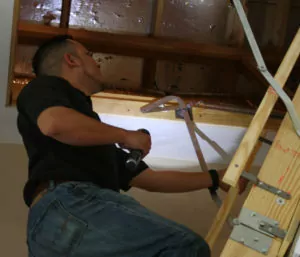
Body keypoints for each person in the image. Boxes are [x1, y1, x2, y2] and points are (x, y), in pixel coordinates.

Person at [16, 35, 247, 257]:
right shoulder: (45, 87)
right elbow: (55, 123)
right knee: (183, 248)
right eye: (88, 54)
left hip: (52, 231)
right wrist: (126, 136)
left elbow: (152, 180)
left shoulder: (97, 145)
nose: (96, 62)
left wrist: (217, 178)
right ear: (72, 60)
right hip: (70, 205)